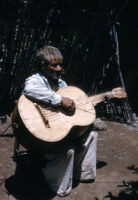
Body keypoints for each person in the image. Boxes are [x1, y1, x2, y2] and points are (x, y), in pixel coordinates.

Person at [23, 45, 98, 197]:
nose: (59, 69)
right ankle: (55, 182)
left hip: (62, 129)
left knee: (92, 135)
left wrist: (86, 105)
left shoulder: (62, 84)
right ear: (43, 66)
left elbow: (70, 105)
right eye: (54, 65)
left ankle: (83, 173)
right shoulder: (35, 80)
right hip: (46, 132)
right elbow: (29, 90)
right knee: (68, 150)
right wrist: (58, 99)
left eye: (60, 65)